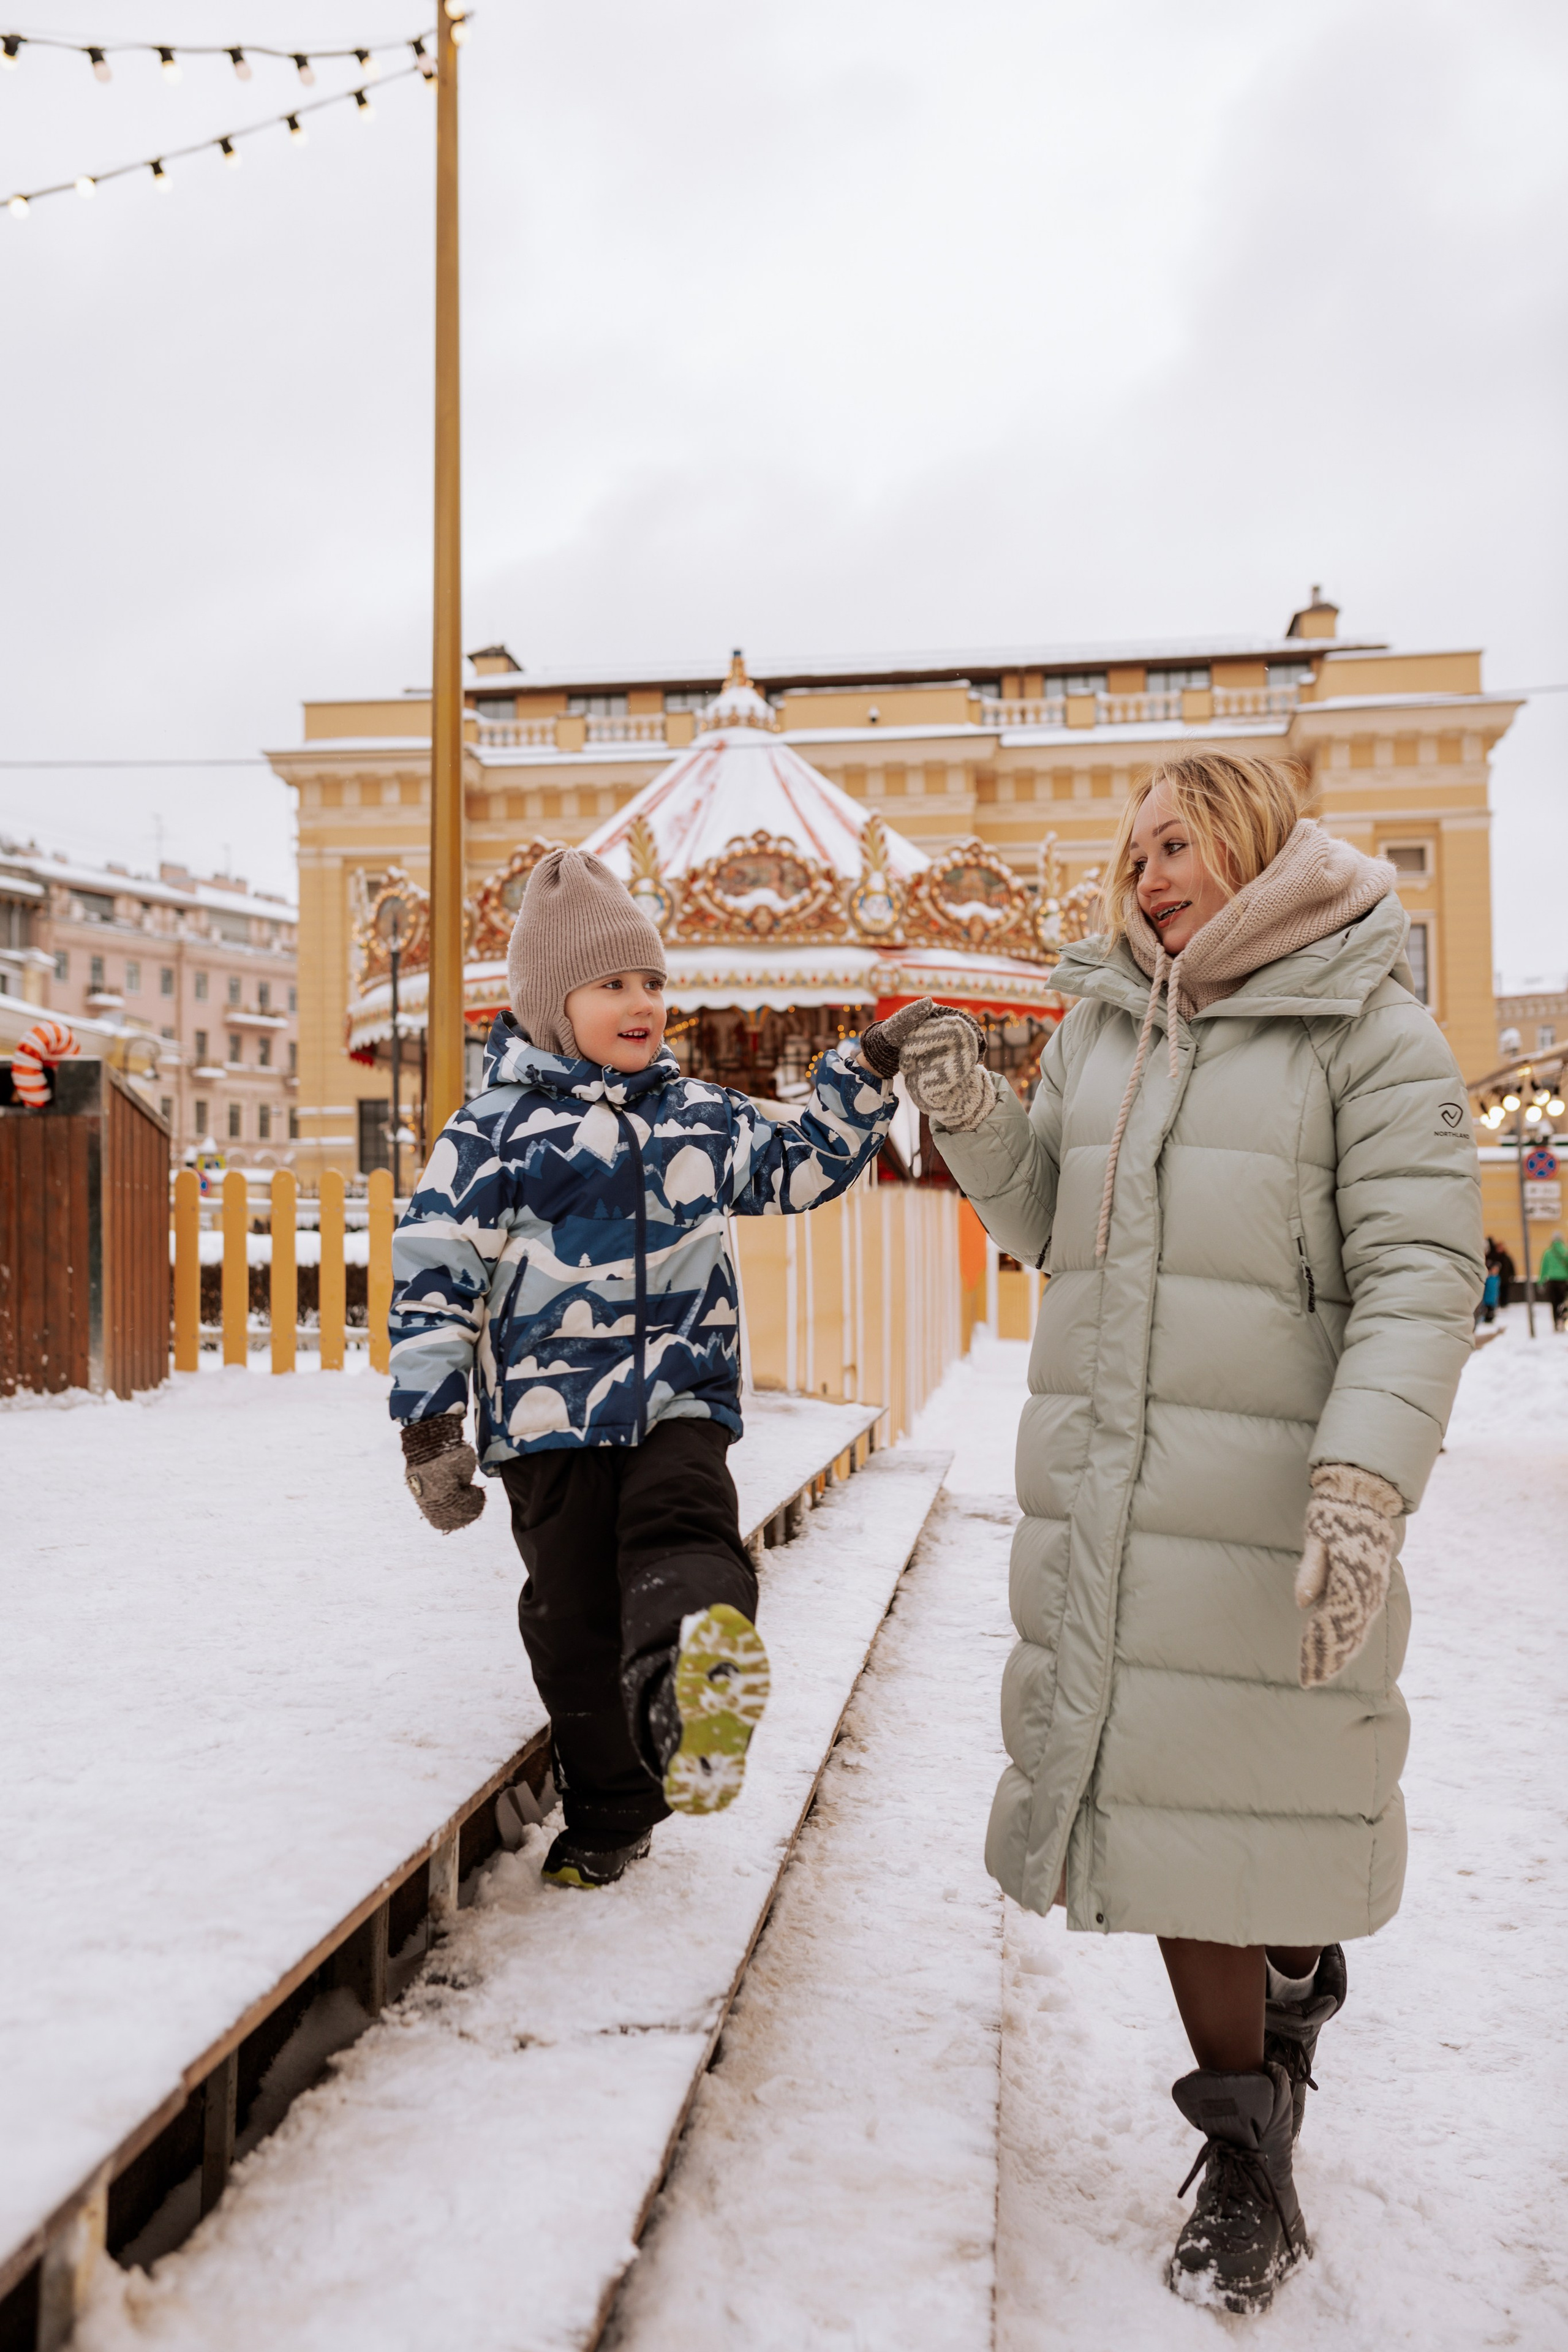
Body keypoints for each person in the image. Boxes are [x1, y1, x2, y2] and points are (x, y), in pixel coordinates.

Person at [891, 753, 1482, 2314]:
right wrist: (968, 1109)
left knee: (1268, 1814)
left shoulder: (1369, 1026)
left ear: (1250, 844)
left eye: (1177, 842)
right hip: (1120, 1498)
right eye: (1132, 850)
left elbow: (1422, 1273)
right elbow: (1041, 1219)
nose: (1148, 874)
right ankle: (1244, 2145)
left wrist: (1360, 1483)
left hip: (1275, 1502)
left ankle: (1292, 1984)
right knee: (1170, 1826)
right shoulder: (1104, 1021)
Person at [386, 847, 931, 1891]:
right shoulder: (492, 1136)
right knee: (570, 1617)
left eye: (653, 982)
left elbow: (801, 1165)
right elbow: (434, 1281)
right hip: (547, 1424)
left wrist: (862, 1073)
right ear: (553, 1002)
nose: (643, 1004)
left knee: (684, 1529)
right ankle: (610, 1807)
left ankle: (696, 1669)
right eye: (613, 985)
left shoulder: (701, 1115)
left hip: (679, 1398)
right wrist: (429, 1426)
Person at [1537, 1231, 1568, 1331]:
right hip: (1563, 1281)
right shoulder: (1565, 1251)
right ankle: (1562, 1320)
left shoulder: (1548, 1252)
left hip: (1551, 1281)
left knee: (1554, 1303)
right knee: (1563, 1302)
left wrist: (1541, 1282)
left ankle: (1556, 1322)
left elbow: (1543, 1268)